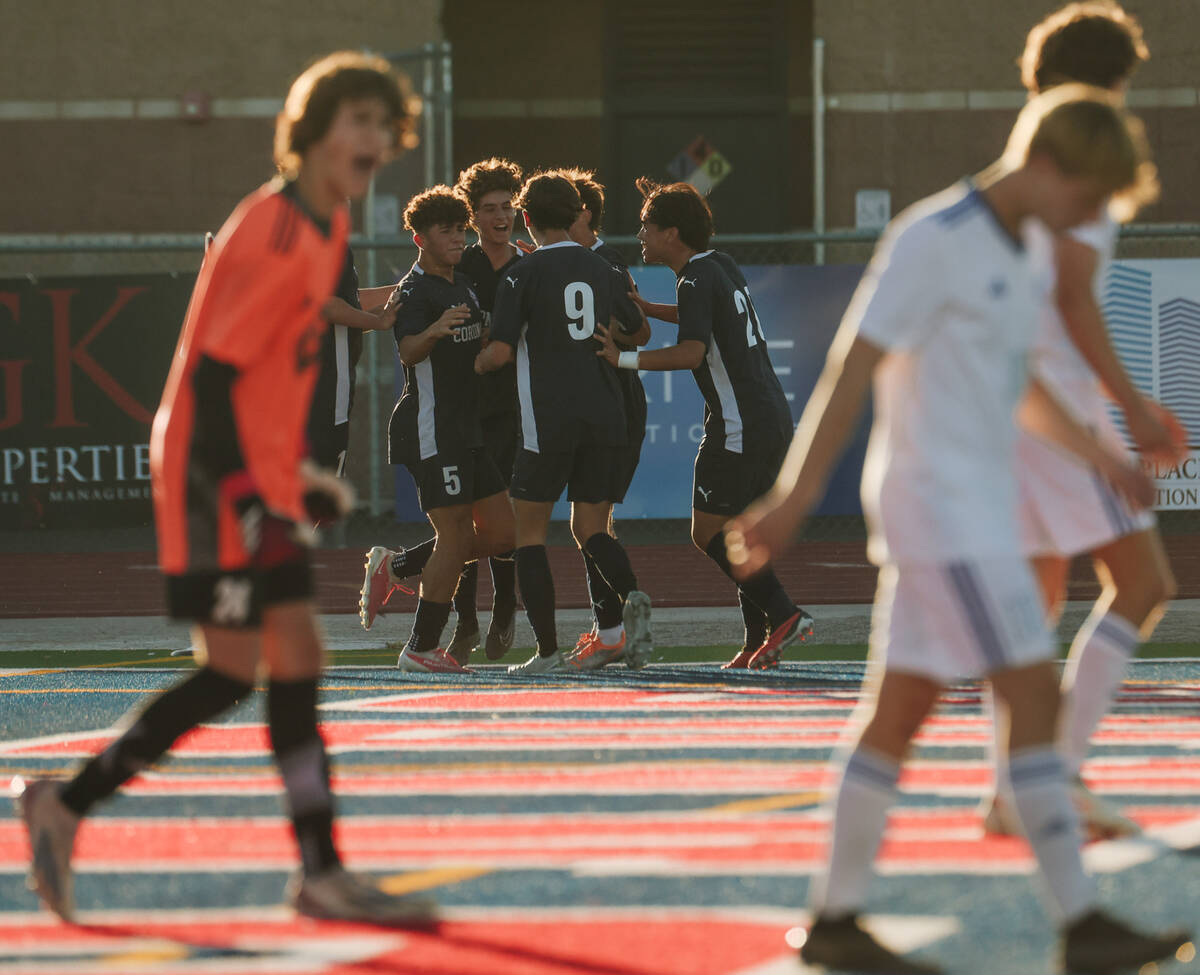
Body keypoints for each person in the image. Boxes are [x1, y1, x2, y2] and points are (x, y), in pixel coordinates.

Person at [725, 87, 1189, 973]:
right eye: (1088, 199)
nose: (1090, 221)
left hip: (962, 509)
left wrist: (1104, 455)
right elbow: (852, 364)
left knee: (897, 713)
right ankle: (1080, 921)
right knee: (1030, 696)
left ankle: (834, 919)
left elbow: (1019, 387)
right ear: (1047, 163)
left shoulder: (1022, 248)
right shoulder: (933, 239)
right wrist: (792, 497)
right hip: (947, 511)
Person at [12, 52, 435, 925]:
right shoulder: (278, 223)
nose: (373, 137)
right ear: (313, 132)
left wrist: (291, 476)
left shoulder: (329, 222)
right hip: (212, 470)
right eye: (356, 118)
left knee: (254, 667)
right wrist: (247, 488)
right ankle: (301, 865)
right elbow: (210, 377)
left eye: (381, 124)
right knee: (248, 665)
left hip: (250, 471)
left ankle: (82, 805)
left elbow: (272, 369)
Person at [982, 0, 1188, 841]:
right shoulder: (1082, 168)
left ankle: (1016, 784)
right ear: (1109, 83)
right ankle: (1051, 775)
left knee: (1033, 603)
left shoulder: (1016, 167)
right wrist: (1135, 409)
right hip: (1054, 412)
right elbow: (1070, 296)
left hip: (1007, 404)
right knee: (1142, 584)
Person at [600, 179, 812, 671]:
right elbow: (703, 319)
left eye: (648, 227)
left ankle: (783, 614)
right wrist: (651, 310)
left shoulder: (694, 277)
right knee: (741, 531)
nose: (641, 236)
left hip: (738, 422)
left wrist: (623, 357)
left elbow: (692, 350)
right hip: (768, 415)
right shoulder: (717, 265)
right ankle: (761, 639)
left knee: (706, 532)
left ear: (673, 233)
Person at [475, 171, 652, 675]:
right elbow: (639, 332)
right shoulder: (602, 267)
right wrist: (613, 341)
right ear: (576, 215)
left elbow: (503, 352)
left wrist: (476, 359)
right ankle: (634, 595)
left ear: (527, 219)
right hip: (605, 416)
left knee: (529, 534)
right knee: (591, 528)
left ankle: (547, 652)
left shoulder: (521, 273)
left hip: (547, 422)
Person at [359, 158, 523, 665]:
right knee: (453, 536)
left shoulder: (463, 284)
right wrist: (433, 330)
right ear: (420, 240)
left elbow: (476, 344)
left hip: (467, 427)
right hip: (432, 429)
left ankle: (399, 566)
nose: (455, 239)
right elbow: (407, 351)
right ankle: (421, 646)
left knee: (501, 534)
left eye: (458, 230)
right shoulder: (418, 290)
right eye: (443, 232)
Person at [555, 168, 652, 670]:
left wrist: (614, 340)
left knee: (588, 524)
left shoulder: (603, 261)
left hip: (610, 404)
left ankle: (627, 611)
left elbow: (640, 330)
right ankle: (609, 631)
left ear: (584, 214)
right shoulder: (570, 260)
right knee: (592, 524)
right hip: (595, 405)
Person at [307, 244, 397, 477]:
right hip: (318, 394)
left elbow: (350, 306)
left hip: (331, 394)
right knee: (315, 497)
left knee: (322, 492)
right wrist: (378, 321)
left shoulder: (332, 241)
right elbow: (328, 306)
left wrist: (407, 290)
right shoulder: (319, 241)